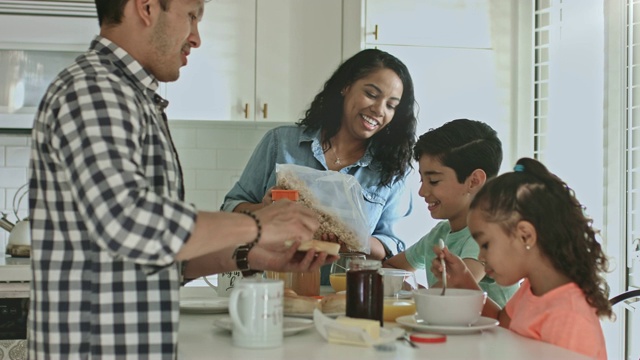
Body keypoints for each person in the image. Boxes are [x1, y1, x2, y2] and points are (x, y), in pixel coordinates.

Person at [28, 0, 337, 359]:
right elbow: (129, 223)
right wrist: (255, 224)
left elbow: (155, 259)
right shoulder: (97, 91)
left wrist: (254, 256)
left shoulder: (130, 98)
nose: (196, 38)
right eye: (192, 16)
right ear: (145, 8)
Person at [221, 48, 418, 284]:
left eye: (391, 105)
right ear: (346, 86)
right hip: (274, 290)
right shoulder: (281, 143)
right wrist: (263, 210)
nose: (379, 109)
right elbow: (229, 209)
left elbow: (393, 247)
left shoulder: (392, 171)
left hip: (348, 298)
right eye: (371, 94)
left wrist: (356, 240)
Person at [432, 157, 611, 359]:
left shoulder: (569, 316)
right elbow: (501, 321)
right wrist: (464, 280)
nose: (481, 256)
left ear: (525, 235)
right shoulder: (533, 289)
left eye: (486, 244)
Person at [384, 119, 518, 308]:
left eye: (434, 181)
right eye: (422, 180)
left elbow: (453, 289)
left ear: (473, 181)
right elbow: (390, 268)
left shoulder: (487, 236)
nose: (422, 192)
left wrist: (414, 291)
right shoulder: (440, 233)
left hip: (491, 336)